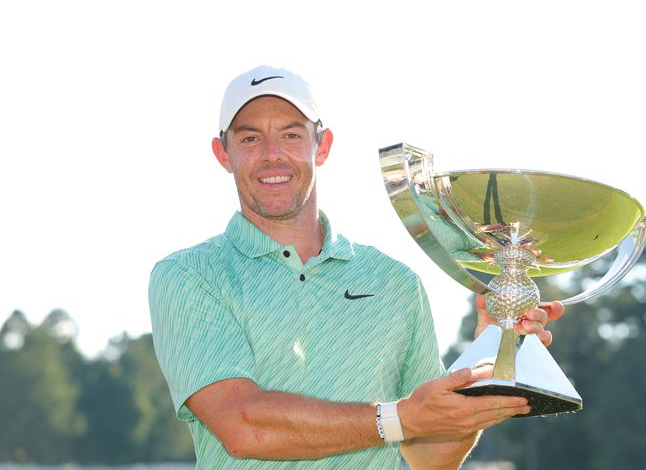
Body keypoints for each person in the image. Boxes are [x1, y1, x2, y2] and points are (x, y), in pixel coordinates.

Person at [148, 66, 564, 469]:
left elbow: (429, 457)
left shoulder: (395, 283)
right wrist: (401, 418)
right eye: (250, 138)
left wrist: (488, 357)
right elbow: (243, 425)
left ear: (322, 146)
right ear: (224, 154)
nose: (272, 155)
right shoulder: (190, 275)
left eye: (292, 135)